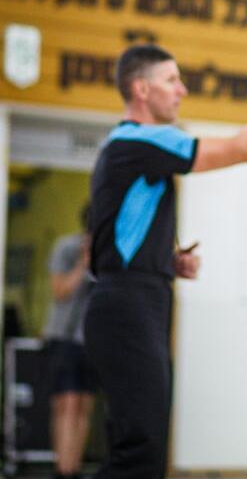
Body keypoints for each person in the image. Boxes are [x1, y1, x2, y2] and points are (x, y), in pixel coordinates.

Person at [84, 44, 247, 479]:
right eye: (171, 80)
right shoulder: (141, 139)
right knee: (139, 457)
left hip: (132, 300)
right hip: (128, 307)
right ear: (141, 89)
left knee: (143, 453)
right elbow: (244, 148)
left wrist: (165, 261)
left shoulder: (126, 148)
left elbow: (113, 237)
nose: (182, 90)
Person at [43, 203, 96, 479]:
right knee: (67, 404)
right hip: (64, 337)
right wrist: (83, 264)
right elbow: (60, 291)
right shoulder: (66, 247)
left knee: (84, 405)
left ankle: (74, 469)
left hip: (91, 341)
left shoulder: (109, 254)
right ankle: (62, 470)